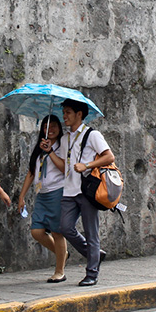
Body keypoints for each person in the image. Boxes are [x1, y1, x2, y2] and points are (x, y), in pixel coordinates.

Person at [47, 99, 114, 287]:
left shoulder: (92, 135)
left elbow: (109, 156)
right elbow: (64, 167)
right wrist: (50, 151)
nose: (64, 116)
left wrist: (87, 165)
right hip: (69, 190)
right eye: (64, 112)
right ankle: (94, 254)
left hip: (87, 190)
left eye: (68, 112)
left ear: (79, 114)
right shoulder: (65, 138)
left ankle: (92, 273)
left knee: (92, 232)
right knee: (65, 227)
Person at [16, 114, 68, 282]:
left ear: (59, 128)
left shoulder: (63, 145)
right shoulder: (40, 147)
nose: (49, 129)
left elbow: (64, 168)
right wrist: (22, 196)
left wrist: (50, 151)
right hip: (42, 194)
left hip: (57, 192)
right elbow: (32, 172)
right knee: (36, 231)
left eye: (53, 126)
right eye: (46, 126)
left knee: (57, 231)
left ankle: (60, 271)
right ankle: (63, 254)